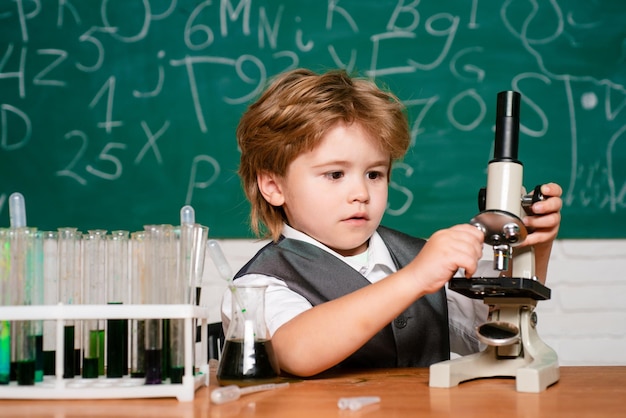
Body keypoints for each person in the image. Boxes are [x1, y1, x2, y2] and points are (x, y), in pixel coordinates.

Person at [220, 68, 563, 377]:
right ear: (273, 186)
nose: (360, 193)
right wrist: (413, 279)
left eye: (374, 173)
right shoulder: (260, 284)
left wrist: (534, 246)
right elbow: (295, 351)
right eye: (335, 174)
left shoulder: (419, 257)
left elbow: (499, 326)